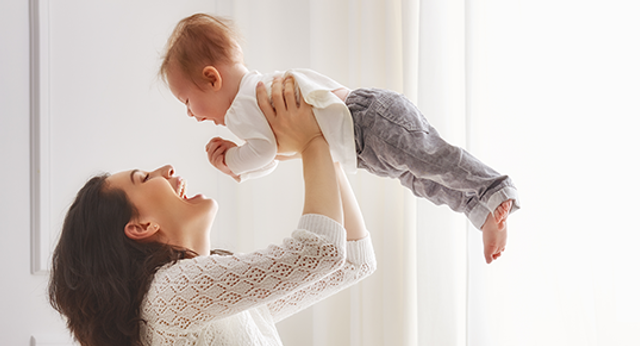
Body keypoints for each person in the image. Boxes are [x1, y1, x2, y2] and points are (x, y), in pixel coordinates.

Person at [48, 76, 376, 346]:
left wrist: (321, 149)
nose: (167, 169)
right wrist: (310, 140)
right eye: (145, 178)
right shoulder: (169, 295)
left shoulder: (205, 300)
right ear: (141, 226)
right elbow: (320, 253)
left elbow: (352, 263)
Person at [159, 13, 520, 264]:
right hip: (363, 145)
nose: (192, 113)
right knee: (422, 179)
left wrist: (232, 161)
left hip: (368, 121)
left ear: (211, 78)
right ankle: (480, 210)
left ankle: (494, 188)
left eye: (187, 101)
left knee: (430, 160)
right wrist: (244, 165)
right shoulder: (254, 97)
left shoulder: (243, 106)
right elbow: (273, 154)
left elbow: (264, 151)